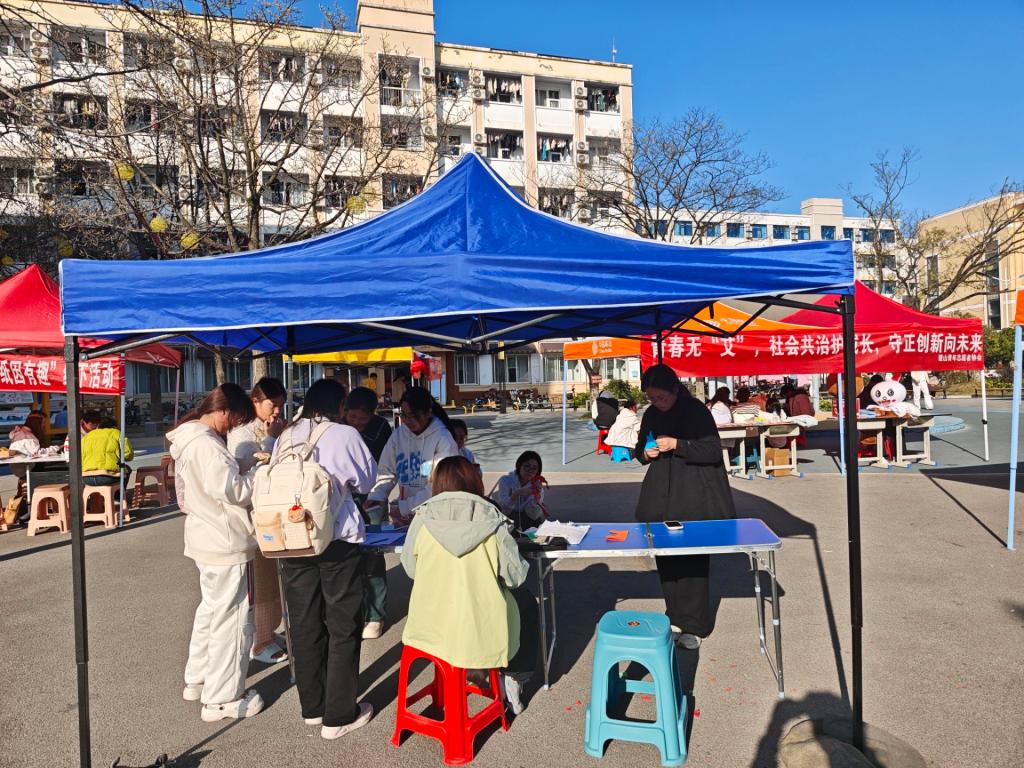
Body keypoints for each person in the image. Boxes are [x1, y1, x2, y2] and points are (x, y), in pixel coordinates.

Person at [275, 378, 377, 740]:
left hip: (293, 539)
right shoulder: (344, 434)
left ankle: (313, 707)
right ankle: (339, 714)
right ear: (340, 405)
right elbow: (366, 481)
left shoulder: (286, 436)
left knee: (304, 622)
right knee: (342, 623)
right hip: (335, 539)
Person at [400, 455, 535, 715]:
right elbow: (515, 577)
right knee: (526, 603)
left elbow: (410, 568)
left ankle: (470, 665)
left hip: (431, 624)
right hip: (481, 625)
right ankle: (514, 677)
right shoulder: (493, 520)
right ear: (475, 481)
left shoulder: (421, 519)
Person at [167, 384, 264, 722]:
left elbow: (214, 482)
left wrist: (240, 464)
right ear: (223, 411)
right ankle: (221, 698)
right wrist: (257, 473)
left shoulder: (189, 439)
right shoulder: (207, 444)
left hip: (203, 537)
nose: (234, 426)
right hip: (224, 540)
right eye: (235, 419)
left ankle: (197, 678)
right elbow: (233, 490)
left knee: (211, 611)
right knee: (231, 620)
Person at [633, 364, 736, 651]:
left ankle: (695, 625)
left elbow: (712, 450)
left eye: (662, 397)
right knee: (666, 560)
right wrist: (646, 452)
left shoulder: (696, 411)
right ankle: (675, 618)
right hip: (661, 496)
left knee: (692, 563)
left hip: (693, 494)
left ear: (675, 389)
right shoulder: (651, 414)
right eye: (652, 398)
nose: (657, 403)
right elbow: (640, 447)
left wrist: (678, 444)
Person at [227, 377, 289, 666]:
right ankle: (260, 640)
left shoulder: (270, 425)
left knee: (274, 578)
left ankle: (269, 631)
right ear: (255, 402)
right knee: (263, 581)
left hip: (272, 511)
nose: (277, 411)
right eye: (272, 405)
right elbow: (247, 471)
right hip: (254, 517)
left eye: (281, 405)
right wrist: (272, 440)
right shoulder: (243, 433)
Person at [343, 386, 394, 640]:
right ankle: (354, 610)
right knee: (347, 553)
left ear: (373, 414)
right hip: (345, 496)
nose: (357, 423)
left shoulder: (382, 428)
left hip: (373, 495)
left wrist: (377, 495)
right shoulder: (339, 426)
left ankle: (375, 615)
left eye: (363, 419)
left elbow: (387, 466)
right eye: (353, 417)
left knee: (373, 553)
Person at [366, 387, 459, 524]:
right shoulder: (399, 435)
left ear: (428, 412)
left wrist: (406, 507)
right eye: (403, 415)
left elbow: (440, 485)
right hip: (406, 515)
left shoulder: (443, 439)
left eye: (414, 416)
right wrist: (377, 496)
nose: (407, 420)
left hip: (435, 516)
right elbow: (386, 470)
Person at [492, 450, 547, 531]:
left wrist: (537, 499)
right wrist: (515, 494)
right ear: (519, 465)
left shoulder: (536, 486)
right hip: (509, 520)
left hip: (528, 521)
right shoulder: (506, 480)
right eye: (526, 466)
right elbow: (503, 511)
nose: (530, 471)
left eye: (534, 468)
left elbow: (534, 516)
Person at [81, 416, 133, 488]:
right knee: (127, 469)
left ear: (98, 426)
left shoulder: (87, 436)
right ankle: (119, 494)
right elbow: (128, 455)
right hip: (108, 477)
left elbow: (80, 457)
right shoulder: (116, 433)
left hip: (86, 478)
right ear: (114, 427)